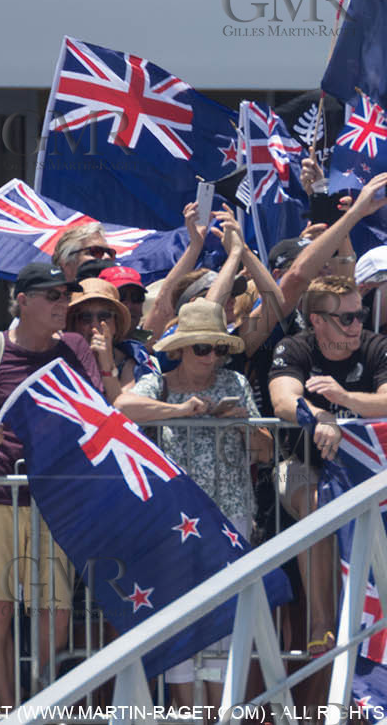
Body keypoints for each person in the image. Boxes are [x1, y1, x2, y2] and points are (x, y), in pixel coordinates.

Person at [0, 262, 117, 708]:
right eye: (53, 295)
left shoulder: (74, 347)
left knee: (54, 611)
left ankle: (42, 705)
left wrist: (106, 364)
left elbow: (99, 413)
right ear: (22, 301)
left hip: (55, 499)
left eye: (66, 295)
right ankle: (10, 711)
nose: (64, 304)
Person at [116, 299, 270, 710]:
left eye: (218, 348)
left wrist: (242, 424)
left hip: (230, 513)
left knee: (224, 618)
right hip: (175, 516)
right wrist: (179, 411)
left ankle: (219, 716)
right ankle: (187, 714)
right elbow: (121, 408)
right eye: (203, 348)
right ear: (182, 348)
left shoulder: (235, 383)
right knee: (179, 616)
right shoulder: (159, 384)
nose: (211, 357)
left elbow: (266, 451)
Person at [267, 274, 387, 653]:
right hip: (303, 462)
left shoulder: (377, 346)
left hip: (367, 469)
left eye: (359, 314)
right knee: (316, 504)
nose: (356, 324)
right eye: (346, 318)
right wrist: (321, 416)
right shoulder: (293, 348)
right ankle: (321, 623)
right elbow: (283, 400)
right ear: (317, 320)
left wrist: (346, 398)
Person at [66, 278, 152, 385]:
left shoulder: (132, 362)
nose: (95, 325)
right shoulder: (62, 361)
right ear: (73, 324)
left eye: (104, 316)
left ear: (116, 323)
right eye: (85, 317)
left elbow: (123, 395)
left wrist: (107, 363)